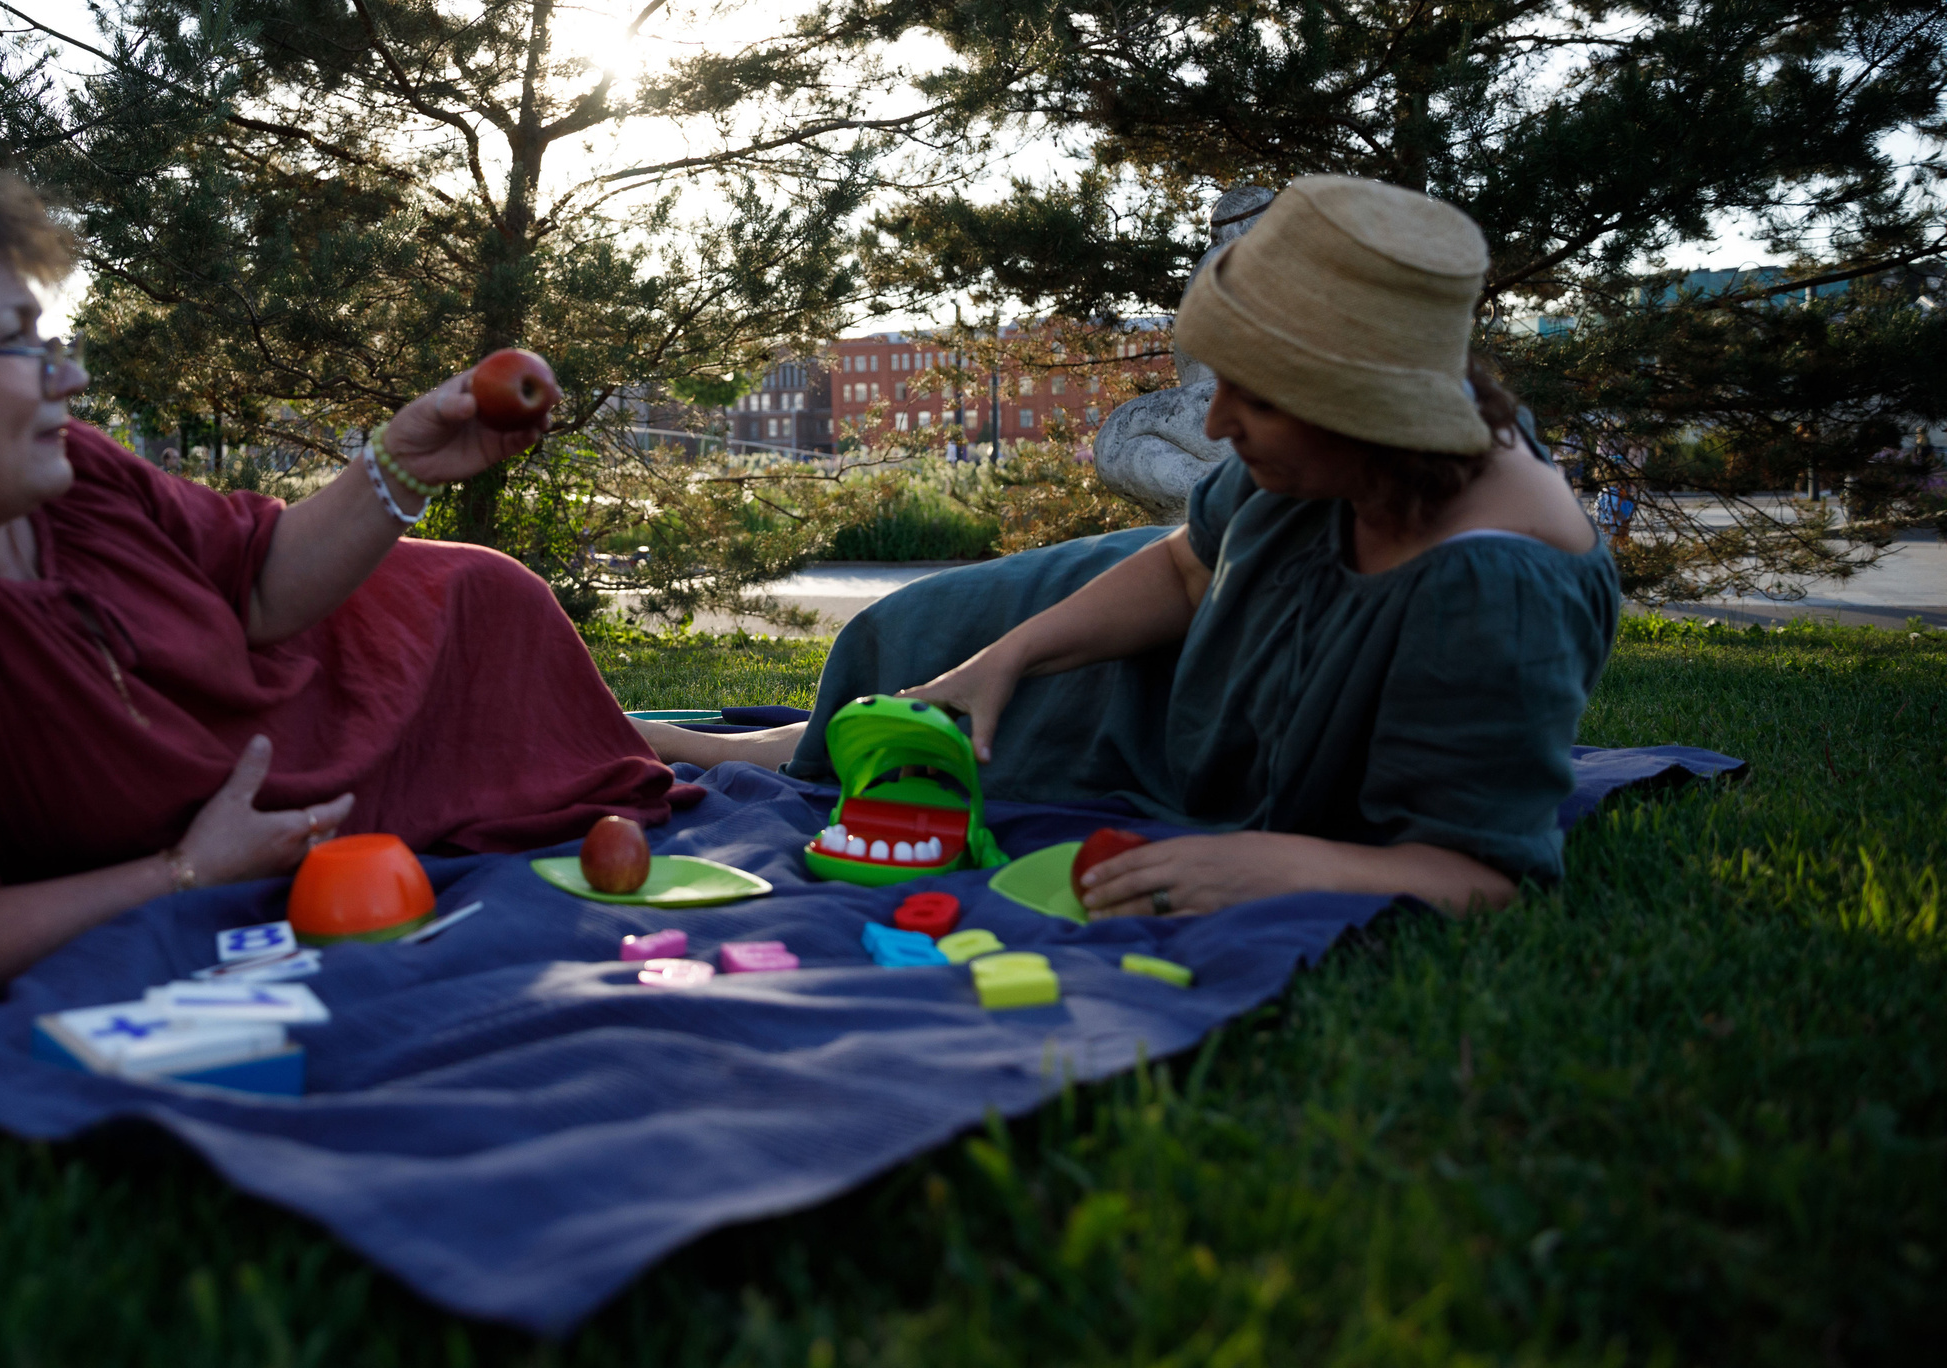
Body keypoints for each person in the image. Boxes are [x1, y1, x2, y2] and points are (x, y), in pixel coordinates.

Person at [0, 160, 692, 995]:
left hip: (309, 689)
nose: (66, 378)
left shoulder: (65, 476)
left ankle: (685, 741)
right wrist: (185, 874)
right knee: (511, 712)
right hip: (298, 779)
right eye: (17, 341)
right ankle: (708, 747)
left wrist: (402, 461)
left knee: (486, 596)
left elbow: (259, 578)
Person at [642, 176, 1618, 919]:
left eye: (1257, 397)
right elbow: (1189, 565)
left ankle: (746, 753)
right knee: (910, 641)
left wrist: (1286, 865)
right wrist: (1009, 654)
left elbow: (1482, 873)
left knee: (933, 759)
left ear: (1365, 414)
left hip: (1216, 737)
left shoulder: (1498, 588)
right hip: (1185, 643)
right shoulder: (1325, 454)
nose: (1218, 421)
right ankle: (764, 747)